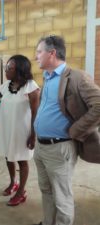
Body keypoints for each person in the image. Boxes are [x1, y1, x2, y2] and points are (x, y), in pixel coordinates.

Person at [33, 35, 100, 225]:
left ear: (52, 53)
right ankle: (48, 222)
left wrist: (76, 130)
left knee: (62, 197)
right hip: (41, 146)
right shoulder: (47, 77)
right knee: (46, 190)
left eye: (39, 52)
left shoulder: (76, 77)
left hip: (60, 148)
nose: (36, 56)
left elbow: (98, 105)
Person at [0, 55, 40, 206]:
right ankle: (13, 182)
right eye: (6, 67)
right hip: (7, 128)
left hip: (23, 131)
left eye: (10, 68)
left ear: (20, 69)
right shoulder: (6, 86)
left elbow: (35, 113)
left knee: (22, 160)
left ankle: (21, 191)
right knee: (9, 157)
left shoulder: (31, 87)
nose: (6, 70)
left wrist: (33, 135)